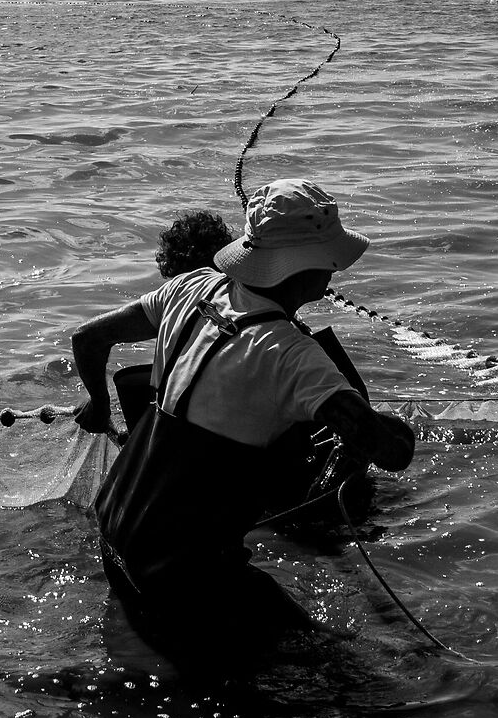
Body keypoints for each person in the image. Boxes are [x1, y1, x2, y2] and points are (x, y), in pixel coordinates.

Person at [71, 179, 416, 672]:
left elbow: (88, 338)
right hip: (181, 570)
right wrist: (398, 428)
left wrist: (99, 405)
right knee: (339, 669)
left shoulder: (191, 289)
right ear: (306, 266)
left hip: (118, 533)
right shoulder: (294, 357)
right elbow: (392, 453)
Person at [113, 207, 377, 525]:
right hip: (222, 507)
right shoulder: (291, 351)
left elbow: (88, 337)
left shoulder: (182, 302)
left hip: (131, 507)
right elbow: (380, 441)